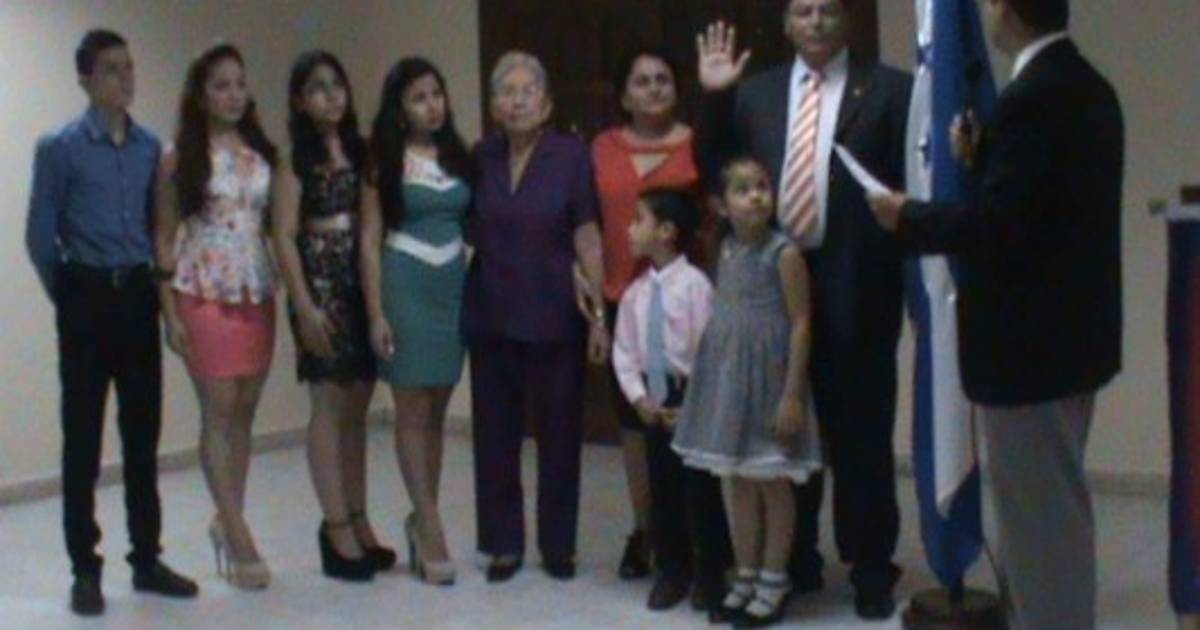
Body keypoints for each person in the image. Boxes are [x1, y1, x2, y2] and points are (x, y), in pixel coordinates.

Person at [868, 1, 1123, 627]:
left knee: (1040, 529)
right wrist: (981, 160)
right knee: (1055, 514)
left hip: (1029, 355)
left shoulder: (1032, 98)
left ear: (1007, 8)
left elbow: (1000, 227)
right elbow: (1044, 210)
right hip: (1070, 344)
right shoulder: (1088, 87)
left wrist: (908, 217)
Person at [694, 0, 912, 617]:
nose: (815, 22)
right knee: (782, 432)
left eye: (827, 10)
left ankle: (870, 568)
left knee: (861, 434)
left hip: (858, 284)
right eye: (803, 11)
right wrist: (714, 98)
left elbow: (910, 189)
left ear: (847, 20)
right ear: (787, 25)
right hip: (771, 286)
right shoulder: (754, 95)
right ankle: (792, 562)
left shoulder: (892, 90)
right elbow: (715, 172)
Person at [24, 28, 198, 616]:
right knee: (83, 438)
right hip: (87, 295)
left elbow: (159, 226)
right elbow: (39, 237)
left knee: (142, 434)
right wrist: (70, 294)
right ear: (85, 79)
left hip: (137, 296)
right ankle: (85, 568)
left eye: (129, 68)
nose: (124, 79)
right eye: (110, 70)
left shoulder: (150, 148)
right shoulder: (61, 148)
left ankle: (146, 558)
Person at [464, 50, 608, 583]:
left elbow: (587, 234)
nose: (518, 100)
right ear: (493, 105)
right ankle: (503, 543)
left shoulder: (570, 155)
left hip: (555, 314)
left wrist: (599, 314)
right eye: (507, 91)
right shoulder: (480, 156)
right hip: (492, 312)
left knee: (560, 434)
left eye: (528, 91)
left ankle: (557, 545)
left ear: (546, 104)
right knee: (495, 435)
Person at [672, 157, 821, 628]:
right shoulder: (725, 250)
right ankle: (747, 572)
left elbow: (800, 322)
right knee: (737, 480)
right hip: (731, 379)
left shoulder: (784, 254)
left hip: (771, 381)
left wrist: (792, 394)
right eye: (743, 189)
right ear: (721, 205)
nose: (756, 196)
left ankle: (775, 578)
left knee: (771, 480)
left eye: (762, 186)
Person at [154, 43, 279, 591]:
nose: (233, 95)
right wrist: (168, 311)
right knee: (219, 407)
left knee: (245, 409)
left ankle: (229, 517)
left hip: (255, 287)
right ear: (201, 96)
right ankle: (237, 532)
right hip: (202, 286)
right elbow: (163, 237)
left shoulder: (260, 152)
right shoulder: (179, 155)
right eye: (221, 85)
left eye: (239, 84)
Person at [271, 50, 392, 583]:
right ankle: (335, 525)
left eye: (337, 85)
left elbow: (371, 229)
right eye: (318, 88)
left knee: (358, 403)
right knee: (328, 400)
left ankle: (359, 518)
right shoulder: (294, 159)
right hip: (318, 287)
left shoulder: (363, 152)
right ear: (300, 100)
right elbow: (283, 236)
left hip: (358, 282)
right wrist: (303, 305)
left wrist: (377, 303)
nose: (331, 96)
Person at [360, 56, 473, 586]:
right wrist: (376, 313)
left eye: (436, 94)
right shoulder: (383, 160)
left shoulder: (459, 156)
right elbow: (369, 240)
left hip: (452, 286)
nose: (432, 105)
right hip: (404, 283)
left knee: (437, 410)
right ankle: (430, 526)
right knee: (411, 408)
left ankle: (420, 515)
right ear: (400, 109)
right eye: (418, 98)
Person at [591, 47, 702, 582]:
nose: (653, 88)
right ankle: (646, 530)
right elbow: (587, 224)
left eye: (663, 79)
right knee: (636, 424)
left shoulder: (695, 144)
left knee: (688, 419)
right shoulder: (602, 148)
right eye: (641, 81)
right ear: (623, 95)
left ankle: (693, 537)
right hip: (622, 298)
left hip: (682, 300)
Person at [611, 189, 733, 615]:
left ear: (666, 231)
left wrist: (696, 403)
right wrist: (639, 399)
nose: (629, 229)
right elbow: (624, 352)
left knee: (700, 489)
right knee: (662, 489)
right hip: (654, 400)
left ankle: (712, 572)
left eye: (638, 220)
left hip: (689, 397)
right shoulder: (636, 293)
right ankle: (672, 570)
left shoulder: (696, 287)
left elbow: (709, 350)